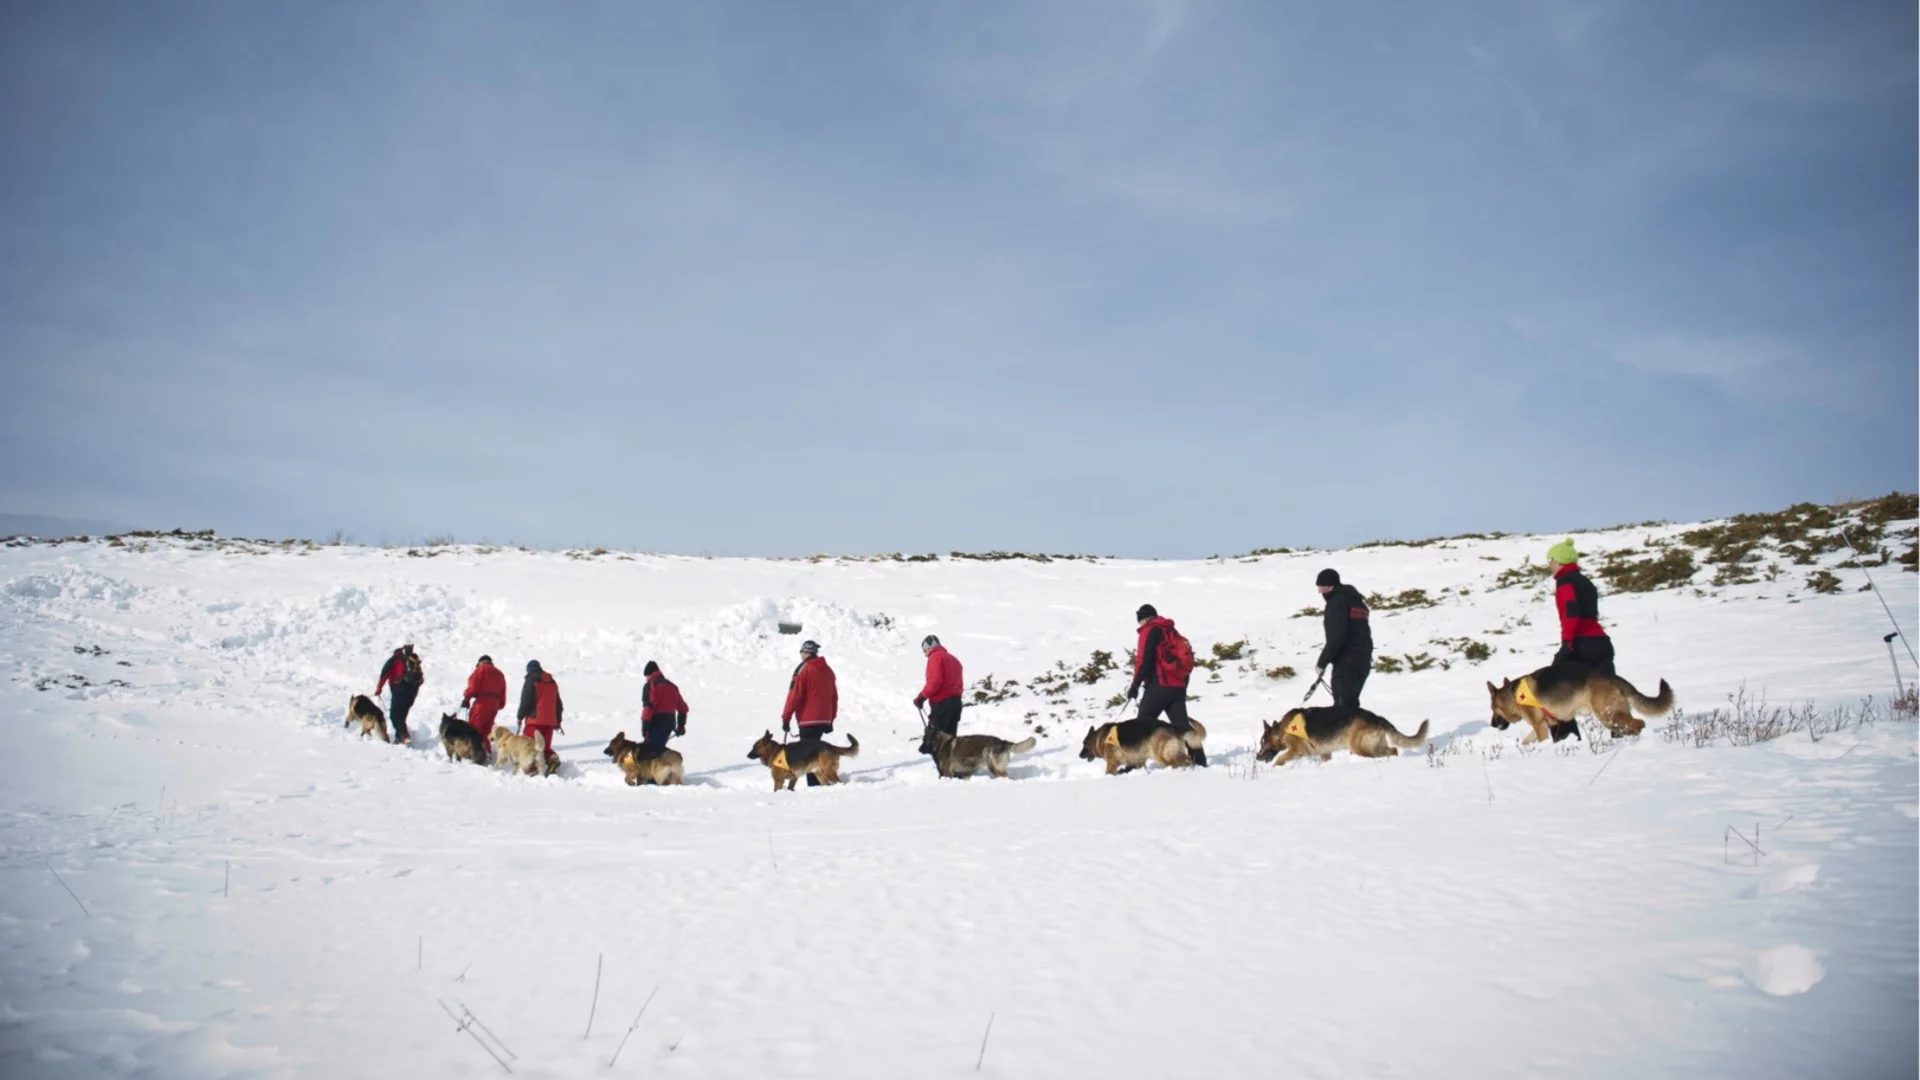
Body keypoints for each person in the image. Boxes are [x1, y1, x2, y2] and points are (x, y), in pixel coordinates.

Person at [1126, 605, 1205, 766]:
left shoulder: (1149, 631)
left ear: (1145, 618)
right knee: (1182, 726)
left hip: (1160, 685)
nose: (1140, 625)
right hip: (1177, 686)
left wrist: (1135, 685)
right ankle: (1200, 760)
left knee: (1141, 724)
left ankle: (1134, 765)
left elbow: (1144, 661)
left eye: (1140, 621)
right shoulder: (1171, 630)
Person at [1546, 539, 1615, 675]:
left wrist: (1567, 644)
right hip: (1601, 643)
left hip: (1582, 645)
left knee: (1553, 685)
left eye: (1550, 560)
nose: (1549, 565)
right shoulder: (1585, 581)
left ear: (1559, 561)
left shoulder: (1565, 582)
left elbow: (1572, 614)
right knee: (1607, 694)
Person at [781, 640, 839, 785]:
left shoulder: (803, 669)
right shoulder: (828, 670)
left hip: (808, 719)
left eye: (801, 652)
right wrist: (830, 719)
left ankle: (815, 787)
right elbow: (833, 696)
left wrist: (786, 718)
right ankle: (821, 783)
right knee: (817, 752)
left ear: (805, 652)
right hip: (823, 719)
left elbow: (794, 695)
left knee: (808, 756)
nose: (801, 655)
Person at [1314, 570, 1374, 708]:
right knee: (1350, 706)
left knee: (1343, 710)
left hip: (1347, 661)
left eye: (1321, 587)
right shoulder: (1357, 602)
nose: (1319, 591)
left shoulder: (1336, 603)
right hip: (1363, 659)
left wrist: (1322, 663)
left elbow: (1336, 638)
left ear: (1330, 586)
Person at [517, 659, 564, 772]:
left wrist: (520, 716)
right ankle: (552, 758)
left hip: (534, 720)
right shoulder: (551, 681)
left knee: (530, 746)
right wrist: (558, 721)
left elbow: (526, 700)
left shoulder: (531, 680)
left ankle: (531, 769)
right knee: (544, 747)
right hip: (550, 721)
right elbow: (558, 703)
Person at [913, 635, 964, 736]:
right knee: (949, 743)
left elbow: (934, 682)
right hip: (956, 703)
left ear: (929, 648)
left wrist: (921, 697)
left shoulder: (935, 658)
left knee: (935, 741)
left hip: (942, 704)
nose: (925, 654)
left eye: (925, 651)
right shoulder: (954, 660)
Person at [375, 644, 424, 745]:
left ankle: (404, 736)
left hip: (399, 689)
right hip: (413, 690)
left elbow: (384, 674)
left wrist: (379, 688)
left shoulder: (394, 660)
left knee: (394, 715)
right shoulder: (414, 659)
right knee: (401, 715)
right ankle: (399, 737)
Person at [640, 660, 689, 748]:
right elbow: (683, 709)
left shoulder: (649, 686)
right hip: (669, 726)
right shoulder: (673, 687)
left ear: (649, 674)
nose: (646, 679)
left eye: (646, 676)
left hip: (655, 725)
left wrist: (645, 728)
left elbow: (647, 708)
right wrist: (681, 726)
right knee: (657, 751)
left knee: (649, 754)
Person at [460, 655, 507, 740]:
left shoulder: (481, 669)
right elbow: (503, 692)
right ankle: (486, 751)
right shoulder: (500, 674)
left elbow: (473, 685)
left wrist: (467, 697)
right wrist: (499, 705)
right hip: (494, 706)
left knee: (474, 729)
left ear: (480, 663)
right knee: (486, 732)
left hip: (482, 703)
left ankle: (473, 751)